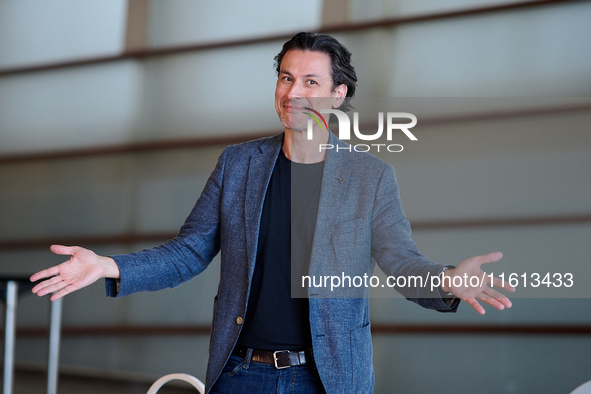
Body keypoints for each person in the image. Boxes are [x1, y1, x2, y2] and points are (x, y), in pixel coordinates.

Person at [31, 32, 514, 393]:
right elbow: (189, 251)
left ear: (337, 95)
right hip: (240, 372)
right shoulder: (238, 164)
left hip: (327, 378)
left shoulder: (370, 177)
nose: (293, 92)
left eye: (310, 81)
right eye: (286, 78)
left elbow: (401, 263)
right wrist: (107, 266)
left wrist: (446, 279)